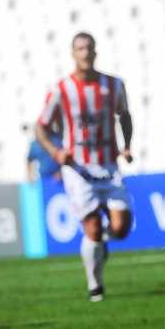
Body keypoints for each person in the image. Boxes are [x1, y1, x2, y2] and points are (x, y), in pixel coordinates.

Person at [35, 32, 134, 302]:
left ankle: (101, 245)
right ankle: (95, 287)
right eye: (80, 48)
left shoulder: (113, 85)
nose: (85, 52)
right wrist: (56, 151)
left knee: (122, 228)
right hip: (78, 169)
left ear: (96, 51)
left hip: (108, 166)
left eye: (89, 47)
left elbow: (124, 115)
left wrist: (127, 145)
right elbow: (40, 127)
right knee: (91, 227)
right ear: (72, 53)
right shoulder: (61, 89)